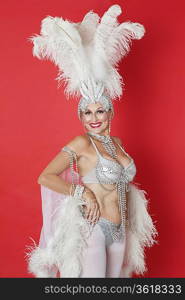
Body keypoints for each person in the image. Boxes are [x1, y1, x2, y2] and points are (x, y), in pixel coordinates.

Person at [26, 4, 158, 278]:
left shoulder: (117, 144)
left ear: (109, 111)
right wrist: (82, 193)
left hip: (120, 229)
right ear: (81, 116)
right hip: (94, 228)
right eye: (87, 112)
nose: (93, 117)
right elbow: (45, 177)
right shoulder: (80, 143)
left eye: (99, 110)